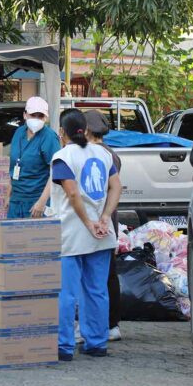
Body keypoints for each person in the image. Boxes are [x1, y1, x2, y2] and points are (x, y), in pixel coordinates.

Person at [51, 109, 122, 361]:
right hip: (102, 234)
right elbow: (116, 186)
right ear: (85, 129)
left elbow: (72, 194)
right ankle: (97, 343)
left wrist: (89, 222)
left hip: (72, 234)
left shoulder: (62, 158)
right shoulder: (103, 154)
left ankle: (64, 346)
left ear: (62, 132)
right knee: (96, 290)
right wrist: (104, 217)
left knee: (67, 293)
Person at [84, 110, 123, 342]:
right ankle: (109, 324)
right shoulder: (111, 154)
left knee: (98, 274)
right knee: (107, 273)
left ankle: (107, 324)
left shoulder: (98, 154)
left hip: (97, 219)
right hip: (107, 219)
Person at [8, 96, 61, 218]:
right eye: (33, 115)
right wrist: (9, 196)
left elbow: (56, 171)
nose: (36, 119)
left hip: (37, 200)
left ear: (45, 117)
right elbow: (14, 165)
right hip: (16, 199)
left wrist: (42, 202)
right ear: (25, 115)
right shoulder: (19, 133)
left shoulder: (49, 137)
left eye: (40, 116)